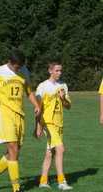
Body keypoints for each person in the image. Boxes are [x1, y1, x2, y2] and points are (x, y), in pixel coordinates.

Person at [0, 49, 40, 192]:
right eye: (17, 66)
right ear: (10, 62)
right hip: (5, 113)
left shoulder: (24, 71)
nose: (18, 68)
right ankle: (16, 188)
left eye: (21, 66)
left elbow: (29, 91)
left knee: (14, 152)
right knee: (13, 148)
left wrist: (36, 105)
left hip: (20, 115)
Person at [35, 62, 73, 190]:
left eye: (60, 71)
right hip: (48, 122)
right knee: (60, 149)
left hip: (59, 123)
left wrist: (63, 99)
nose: (59, 73)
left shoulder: (63, 86)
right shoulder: (42, 86)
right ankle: (62, 182)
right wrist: (38, 126)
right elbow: (38, 108)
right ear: (50, 71)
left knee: (50, 153)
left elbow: (68, 106)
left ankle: (43, 181)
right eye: (57, 70)